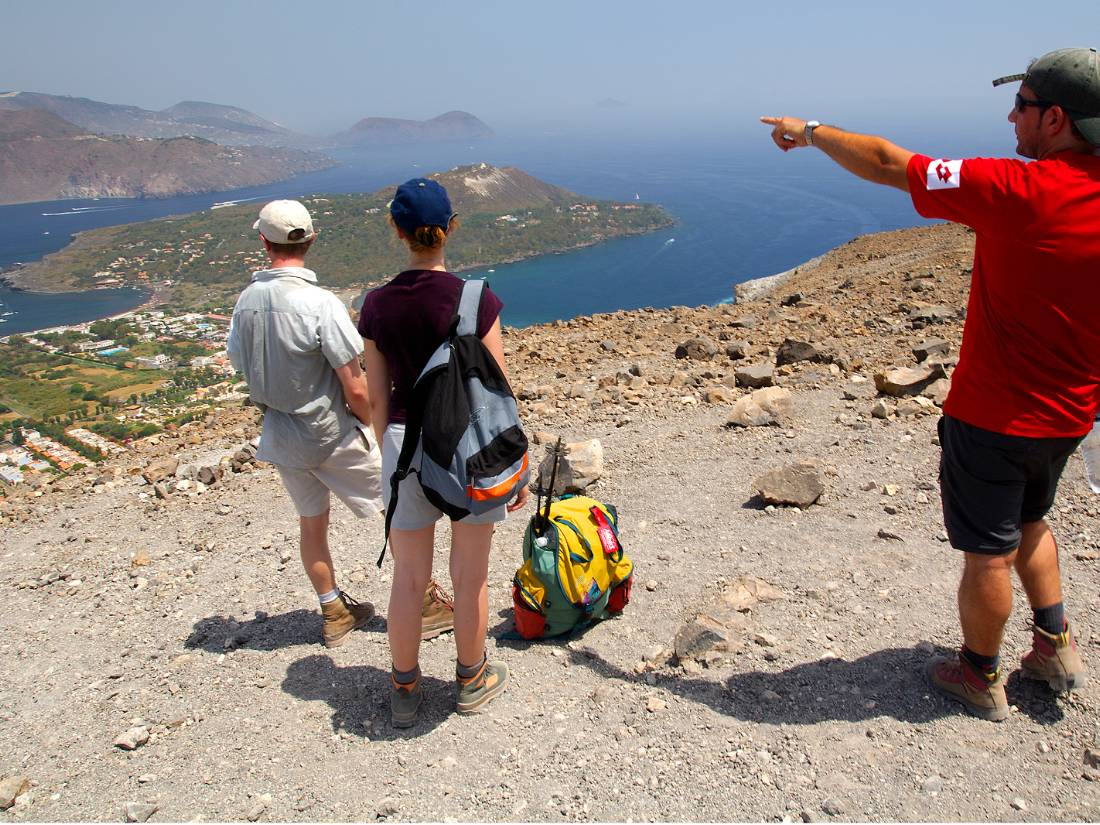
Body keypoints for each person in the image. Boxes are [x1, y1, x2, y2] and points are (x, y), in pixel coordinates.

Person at [761, 47, 1100, 722]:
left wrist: (810, 130)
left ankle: (979, 674)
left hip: (995, 416)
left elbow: (891, 164)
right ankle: (1056, 645)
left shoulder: (1019, 190)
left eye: (1024, 105)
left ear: (1055, 118)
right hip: (1071, 414)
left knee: (987, 553)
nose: (1011, 115)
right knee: (1032, 519)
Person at [227, 199, 455, 648]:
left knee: (312, 525)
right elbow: (354, 387)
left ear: (262, 242)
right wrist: (378, 432)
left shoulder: (245, 303)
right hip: (332, 434)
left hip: (281, 436)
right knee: (401, 514)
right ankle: (426, 605)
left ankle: (333, 610)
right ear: (311, 240)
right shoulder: (319, 304)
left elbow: (240, 361)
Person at [358, 178, 528, 728]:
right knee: (470, 576)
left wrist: (391, 457)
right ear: (450, 227)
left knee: (408, 578)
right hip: (469, 453)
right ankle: (471, 679)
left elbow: (375, 396)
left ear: (396, 231)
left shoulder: (377, 306)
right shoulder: (477, 300)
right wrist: (512, 471)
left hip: (403, 449)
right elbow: (496, 391)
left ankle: (405, 690)